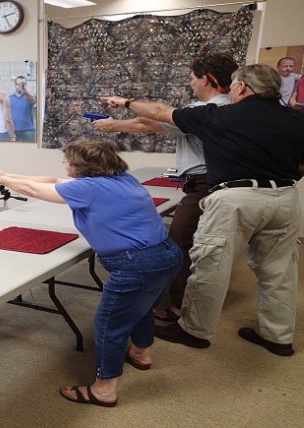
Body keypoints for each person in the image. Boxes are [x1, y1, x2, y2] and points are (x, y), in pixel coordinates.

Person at [103, 64, 304, 357]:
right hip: (285, 198)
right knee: (279, 271)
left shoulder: (218, 115)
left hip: (235, 198)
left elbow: (160, 112)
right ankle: (277, 337)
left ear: (241, 87)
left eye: (235, 85)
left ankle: (194, 330)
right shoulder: (303, 122)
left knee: (211, 265)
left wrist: (125, 102)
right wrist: (282, 162)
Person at [0, 140, 182, 407]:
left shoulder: (88, 189)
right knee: (141, 308)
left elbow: (34, 190)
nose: (65, 165)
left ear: (83, 166)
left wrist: (1, 178)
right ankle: (142, 354)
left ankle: (104, 390)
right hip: (166, 256)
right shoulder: (123, 179)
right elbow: (51, 180)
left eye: (68, 161)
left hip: (136, 265)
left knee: (109, 326)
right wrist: (3, 174)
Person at [94, 53, 238, 323]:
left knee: (181, 245)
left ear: (208, 80)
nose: (190, 83)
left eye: (193, 78)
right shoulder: (227, 107)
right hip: (216, 184)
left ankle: (179, 309)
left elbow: (155, 117)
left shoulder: (208, 110)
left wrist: (123, 106)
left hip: (205, 185)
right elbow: (157, 124)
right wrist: (115, 125)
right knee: (197, 243)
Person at [9, 75, 36, 142]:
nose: (21, 86)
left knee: (30, 151)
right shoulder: (9, 98)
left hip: (28, 130)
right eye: (18, 84)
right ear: (15, 85)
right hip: (14, 130)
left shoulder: (28, 96)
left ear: (26, 85)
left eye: (23, 84)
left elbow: (32, 100)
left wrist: (26, 93)